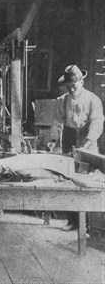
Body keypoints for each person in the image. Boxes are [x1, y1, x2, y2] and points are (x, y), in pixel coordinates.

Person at [50, 64, 104, 231]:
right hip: (69, 137)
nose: (72, 88)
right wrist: (52, 140)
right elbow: (57, 122)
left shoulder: (92, 99)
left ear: (81, 82)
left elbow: (97, 123)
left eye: (74, 84)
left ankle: (92, 226)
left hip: (87, 138)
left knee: (89, 181)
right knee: (69, 179)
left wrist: (87, 144)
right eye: (69, 86)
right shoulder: (62, 100)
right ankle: (74, 221)